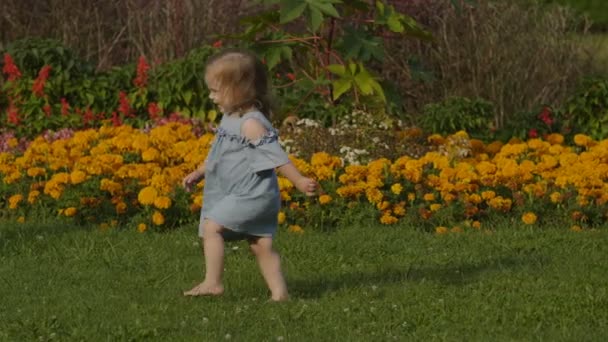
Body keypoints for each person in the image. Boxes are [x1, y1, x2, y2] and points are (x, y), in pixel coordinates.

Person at [182, 49, 318, 301]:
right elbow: (220, 152)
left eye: (215, 90)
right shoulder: (231, 117)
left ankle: (212, 283)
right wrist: (201, 171)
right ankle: (280, 294)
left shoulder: (250, 123)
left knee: (212, 228)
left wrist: (298, 180)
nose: (211, 97)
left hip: (252, 195)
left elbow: (276, 157)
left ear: (240, 89)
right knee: (261, 246)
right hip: (249, 193)